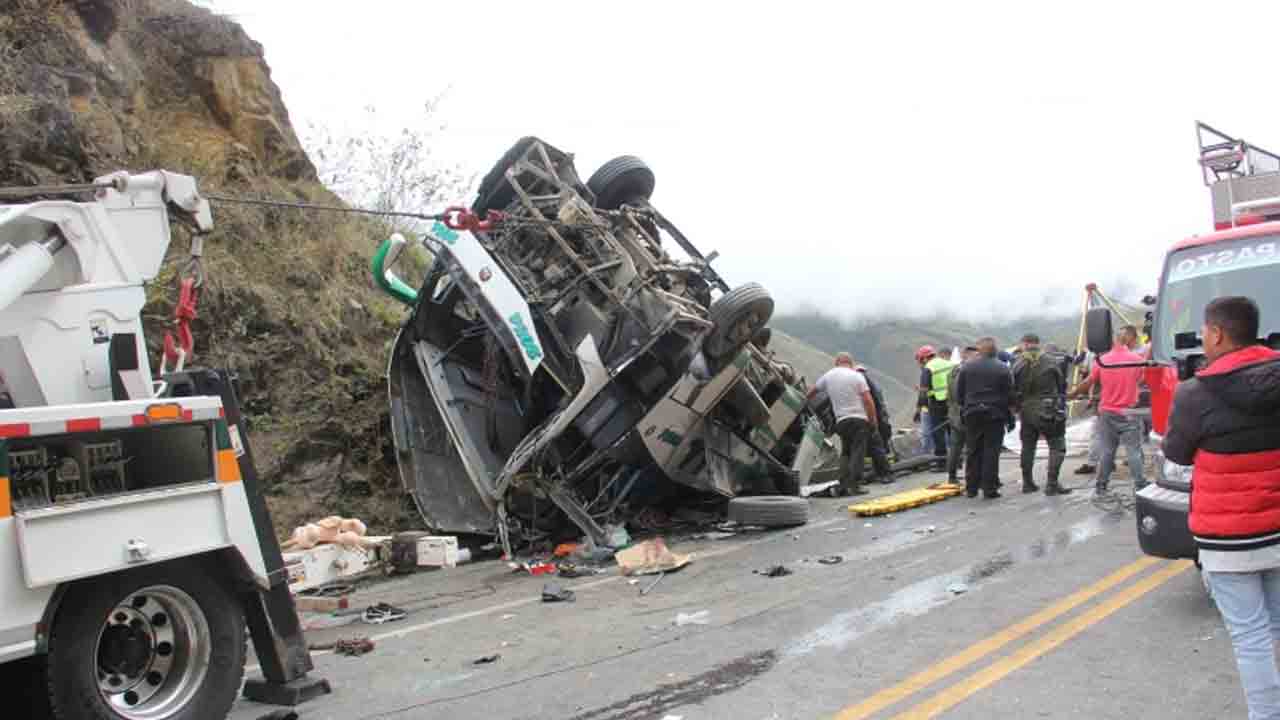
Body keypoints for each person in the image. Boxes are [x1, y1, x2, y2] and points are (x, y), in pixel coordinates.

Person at [1162, 297, 1280, 720]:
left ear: (1216, 333)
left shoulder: (1196, 392)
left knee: (1250, 636)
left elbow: (1176, 454)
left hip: (1228, 537)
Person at [1068, 325, 1146, 495]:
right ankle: (1140, 485)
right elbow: (1141, 380)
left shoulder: (1102, 361)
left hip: (1107, 412)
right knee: (1133, 450)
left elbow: (1088, 382)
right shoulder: (1137, 359)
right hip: (1129, 412)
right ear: (1130, 340)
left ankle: (1101, 485)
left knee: (1108, 450)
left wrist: (1072, 394)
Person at [809, 352, 879, 496]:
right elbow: (868, 400)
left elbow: (812, 392)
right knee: (858, 452)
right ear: (850, 363)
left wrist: (803, 404)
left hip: (841, 421)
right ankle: (855, 485)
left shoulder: (828, 375)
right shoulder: (857, 376)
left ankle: (843, 483)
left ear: (837, 362)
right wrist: (873, 421)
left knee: (846, 452)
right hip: (859, 419)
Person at [1012, 334, 1073, 496]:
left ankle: (1027, 483)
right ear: (1038, 344)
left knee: (1028, 447)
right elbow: (1062, 386)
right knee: (1057, 446)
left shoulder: (1017, 364)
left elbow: (1013, 389)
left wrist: (1017, 407)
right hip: (1048, 409)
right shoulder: (1052, 361)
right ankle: (1052, 484)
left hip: (1026, 410)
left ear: (1024, 344)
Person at [954, 337, 1013, 499]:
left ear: (980, 351)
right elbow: (1009, 393)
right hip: (995, 414)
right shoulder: (1003, 368)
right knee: (991, 451)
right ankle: (989, 488)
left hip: (972, 413)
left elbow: (959, 394)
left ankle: (971, 488)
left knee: (973, 450)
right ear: (995, 350)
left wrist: (967, 405)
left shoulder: (967, 368)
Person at [915, 345, 955, 471]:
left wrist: (920, 408)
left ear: (925, 358)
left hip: (937, 403)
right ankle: (956, 461)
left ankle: (942, 463)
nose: (920, 364)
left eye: (920, 360)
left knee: (938, 433)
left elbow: (923, 391)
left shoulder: (928, 368)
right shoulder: (950, 364)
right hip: (953, 402)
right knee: (953, 431)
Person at [855, 364, 894, 483]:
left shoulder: (864, 384)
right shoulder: (872, 384)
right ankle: (883, 472)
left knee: (875, 447)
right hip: (879, 419)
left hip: (874, 420)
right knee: (879, 447)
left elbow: (873, 404)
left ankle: (879, 473)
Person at [946, 346, 978, 484]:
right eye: (976, 356)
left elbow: (949, 395)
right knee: (972, 447)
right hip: (967, 413)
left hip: (954, 414)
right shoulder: (970, 372)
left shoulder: (952, 372)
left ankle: (952, 476)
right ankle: (972, 478)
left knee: (955, 447)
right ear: (969, 356)